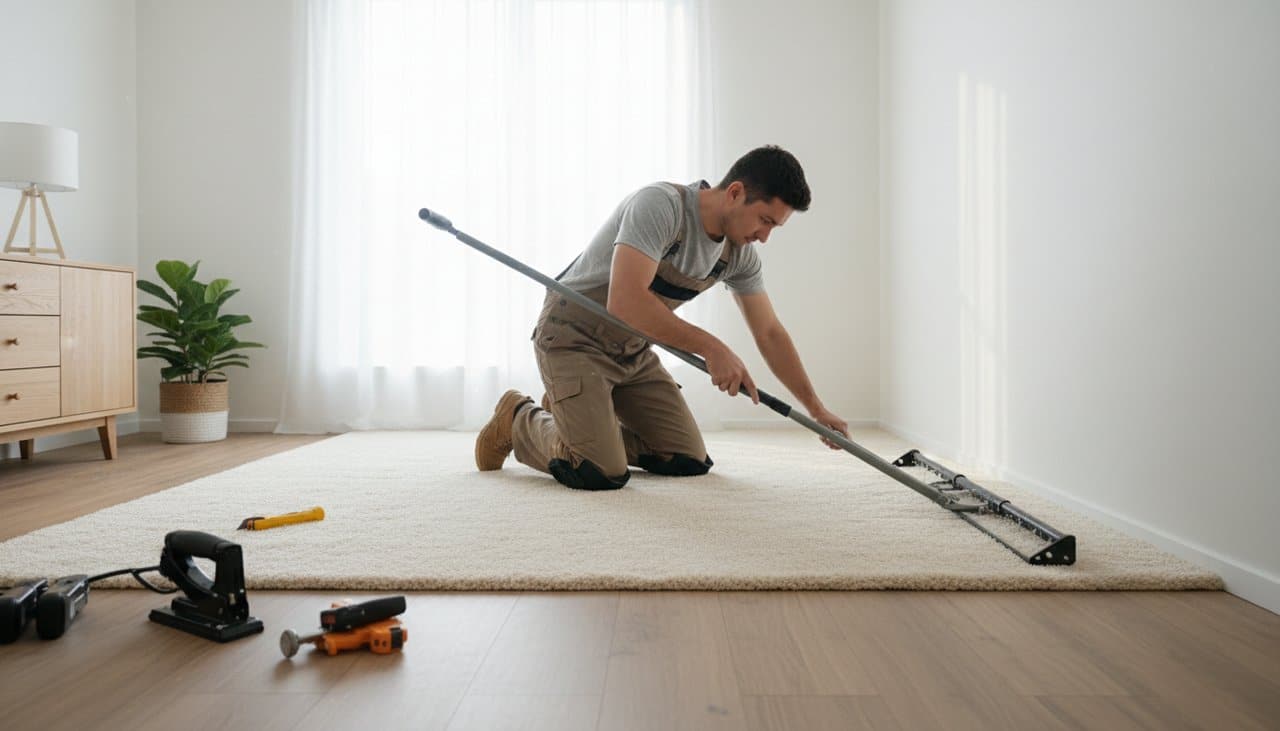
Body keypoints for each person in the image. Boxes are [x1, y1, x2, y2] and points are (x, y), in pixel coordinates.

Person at [474, 145, 850, 490]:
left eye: (774, 227)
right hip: (574, 336)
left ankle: (578, 417)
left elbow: (769, 332)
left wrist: (816, 409)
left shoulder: (738, 255)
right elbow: (626, 301)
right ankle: (517, 417)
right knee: (598, 470)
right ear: (735, 192)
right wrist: (710, 346)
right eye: (764, 220)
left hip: (631, 350)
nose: (764, 236)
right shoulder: (660, 206)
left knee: (688, 459)